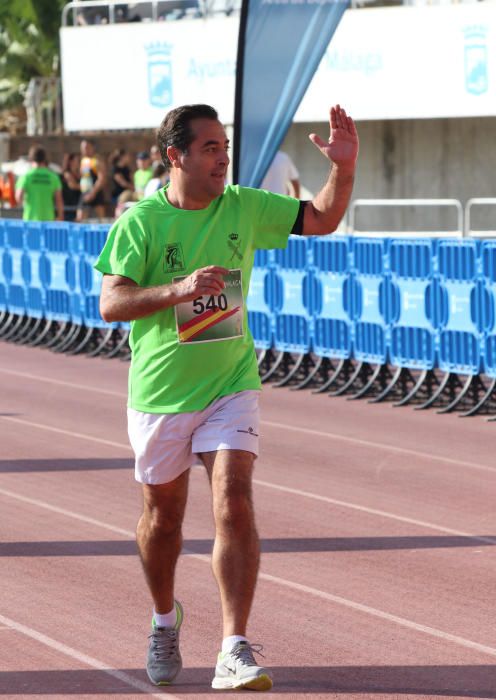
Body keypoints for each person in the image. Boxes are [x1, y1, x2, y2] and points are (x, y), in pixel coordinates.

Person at [95, 103, 358, 691]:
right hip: (161, 391)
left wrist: (344, 167)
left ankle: (232, 648)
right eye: (211, 147)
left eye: (225, 146)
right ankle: (165, 618)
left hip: (230, 383)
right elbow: (111, 304)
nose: (223, 157)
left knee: (234, 501)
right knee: (162, 521)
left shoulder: (243, 205)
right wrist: (180, 289)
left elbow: (321, 217)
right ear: (176, 156)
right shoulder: (141, 222)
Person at [15, 145, 63, 221]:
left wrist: (25, 203)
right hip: (48, 221)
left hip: (29, 220)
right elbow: (59, 200)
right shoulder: (54, 177)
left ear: (31, 159)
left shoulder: (26, 176)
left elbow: (18, 197)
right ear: (45, 159)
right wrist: (60, 217)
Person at [77, 139, 107, 221]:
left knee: (101, 219)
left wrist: (93, 193)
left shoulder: (97, 161)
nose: (84, 149)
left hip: (95, 192)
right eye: (82, 147)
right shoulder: (83, 160)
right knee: (80, 218)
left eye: (86, 147)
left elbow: (102, 179)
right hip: (85, 192)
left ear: (92, 148)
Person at [60, 152, 81, 222]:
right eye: (76, 160)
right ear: (71, 162)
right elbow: (73, 186)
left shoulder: (78, 173)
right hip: (69, 207)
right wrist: (86, 187)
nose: (78, 162)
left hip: (76, 205)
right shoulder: (67, 174)